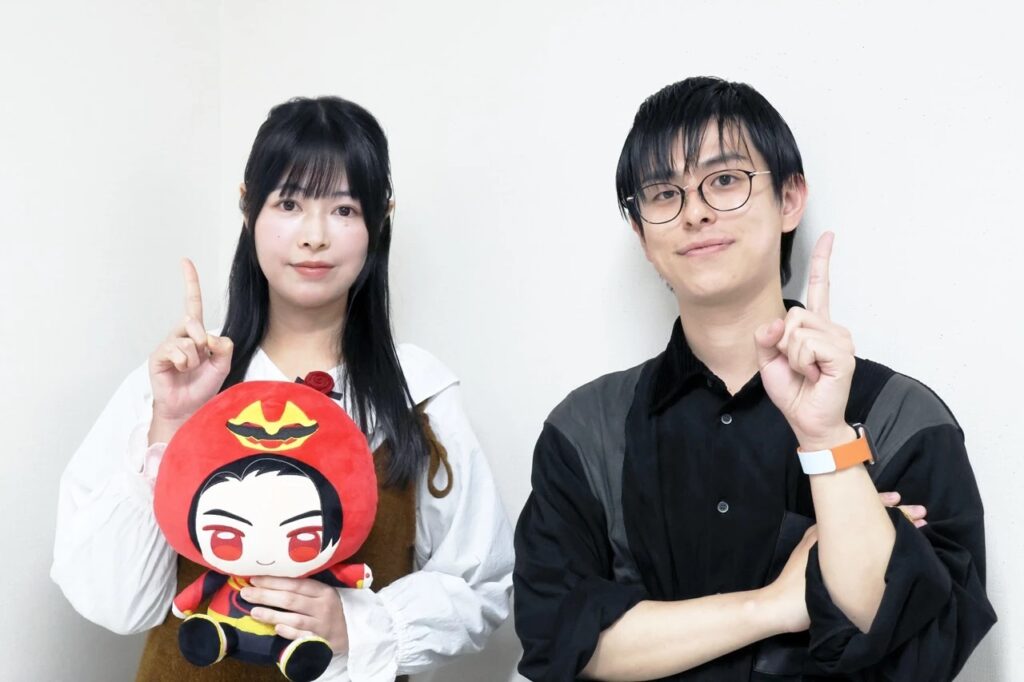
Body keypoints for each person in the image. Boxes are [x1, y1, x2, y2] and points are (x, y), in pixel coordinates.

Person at [513, 77, 996, 681]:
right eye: (664, 194)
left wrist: (826, 440)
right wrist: (775, 605)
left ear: (789, 198)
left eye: (724, 181)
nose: (696, 212)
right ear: (642, 234)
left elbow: (924, 651)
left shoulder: (901, 415)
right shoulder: (586, 428)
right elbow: (558, 641)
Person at [52, 96, 514, 682]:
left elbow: (481, 584)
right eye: (289, 203)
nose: (314, 237)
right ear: (249, 208)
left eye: (344, 209)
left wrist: (357, 623)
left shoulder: (417, 393)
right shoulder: (177, 381)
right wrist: (170, 427)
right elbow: (116, 604)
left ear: (381, 218)